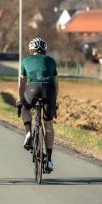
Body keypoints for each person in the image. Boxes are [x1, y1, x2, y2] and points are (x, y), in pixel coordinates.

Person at [16, 37, 59, 172]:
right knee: (48, 124)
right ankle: (49, 160)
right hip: (49, 89)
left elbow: (22, 82)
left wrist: (20, 98)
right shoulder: (51, 61)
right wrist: (54, 100)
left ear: (31, 49)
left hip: (32, 88)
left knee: (25, 108)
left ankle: (29, 132)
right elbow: (56, 83)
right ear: (44, 50)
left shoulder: (26, 60)